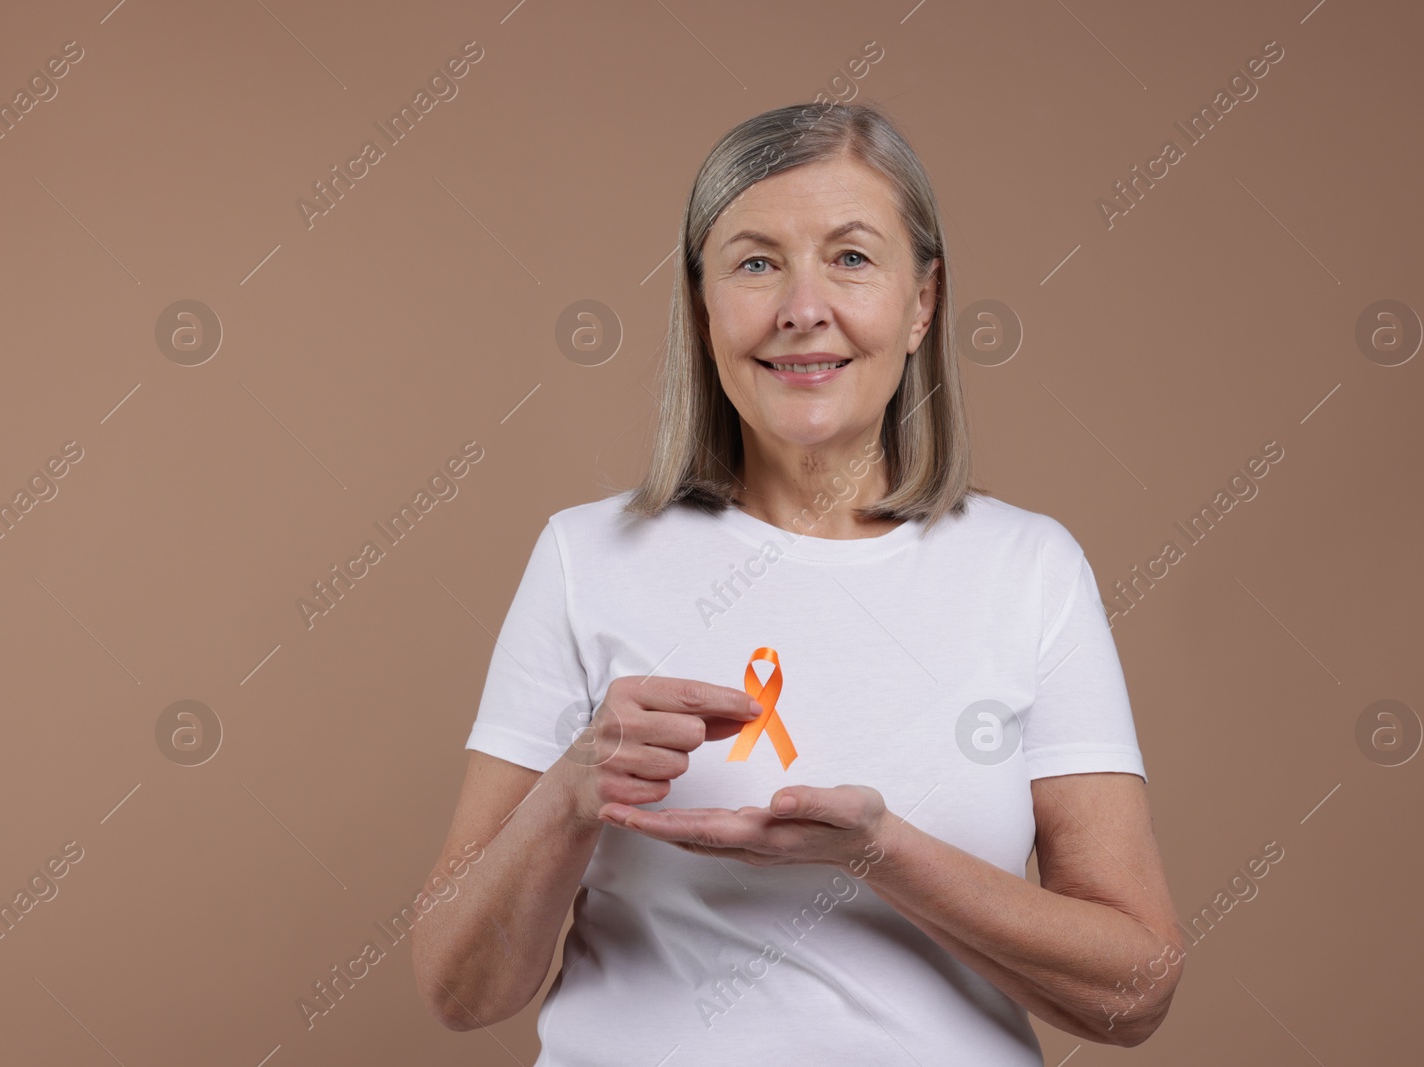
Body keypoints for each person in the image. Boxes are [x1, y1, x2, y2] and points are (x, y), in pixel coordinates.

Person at [411, 100, 1184, 1064]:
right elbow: (456, 987)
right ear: (702, 307)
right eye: (755, 262)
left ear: (924, 302)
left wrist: (878, 852)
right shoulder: (585, 556)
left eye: (852, 258)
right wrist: (568, 793)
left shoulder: (1030, 570)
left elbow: (1136, 992)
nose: (800, 308)